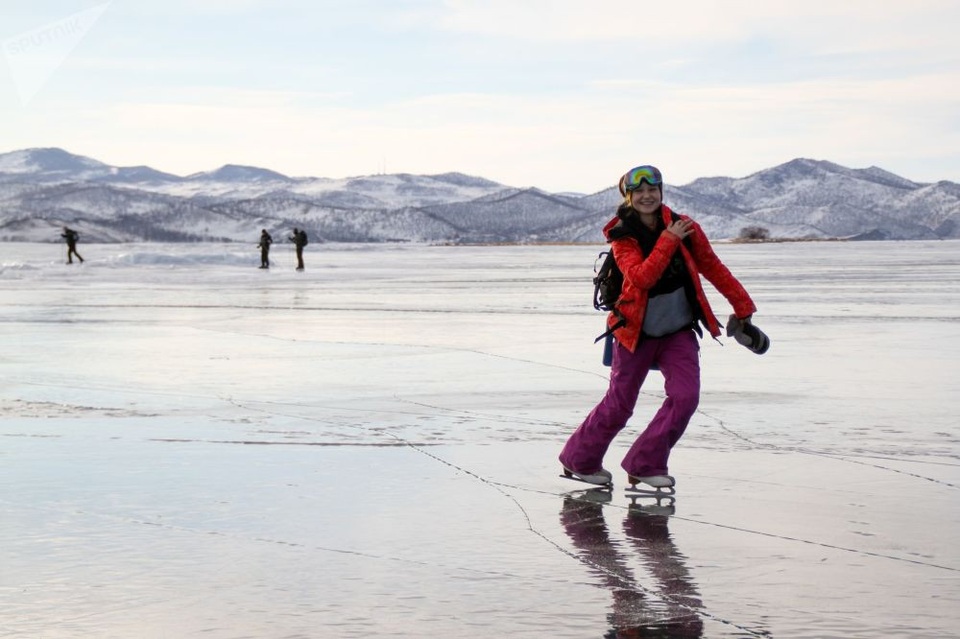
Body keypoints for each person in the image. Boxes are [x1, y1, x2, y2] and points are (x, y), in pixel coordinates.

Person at [559, 165, 758, 492]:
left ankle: (645, 463)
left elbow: (713, 267)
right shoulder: (623, 236)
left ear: (661, 191)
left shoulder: (685, 228)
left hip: (678, 329)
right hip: (633, 331)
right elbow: (641, 277)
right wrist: (668, 239)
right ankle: (579, 460)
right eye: (639, 192)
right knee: (620, 403)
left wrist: (744, 307)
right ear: (629, 197)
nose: (647, 196)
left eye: (653, 189)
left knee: (685, 397)